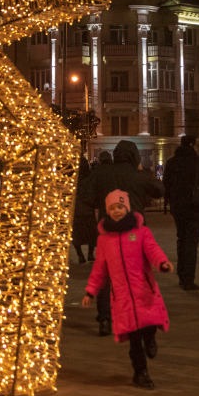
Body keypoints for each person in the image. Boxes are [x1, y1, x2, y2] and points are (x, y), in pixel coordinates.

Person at [81, 189, 173, 389]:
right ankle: (141, 373)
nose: (117, 211)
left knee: (148, 324)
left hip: (143, 291)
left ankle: (151, 338)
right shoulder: (105, 240)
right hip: (122, 297)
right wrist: (90, 291)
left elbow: (152, 250)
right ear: (107, 211)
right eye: (112, 208)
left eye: (120, 207)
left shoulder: (140, 232)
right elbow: (100, 269)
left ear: (127, 208)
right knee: (134, 340)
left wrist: (162, 263)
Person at [78, 139, 163, 334]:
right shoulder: (138, 175)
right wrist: (141, 172)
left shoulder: (101, 173)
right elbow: (159, 190)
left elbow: (85, 195)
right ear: (134, 157)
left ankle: (105, 319)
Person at [163, 135, 199, 291]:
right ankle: (188, 279)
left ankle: (181, 275)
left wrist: (171, 202)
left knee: (181, 238)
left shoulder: (172, 162)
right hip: (195, 207)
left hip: (178, 207)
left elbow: (166, 184)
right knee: (191, 242)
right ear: (193, 145)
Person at [71, 157, 97, 262]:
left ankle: (80, 255)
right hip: (88, 209)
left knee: (77, 234)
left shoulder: (73, 179)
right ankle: (90, 254)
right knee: (90, 233)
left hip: (76, 210)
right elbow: (93, 193)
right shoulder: (90, 179)